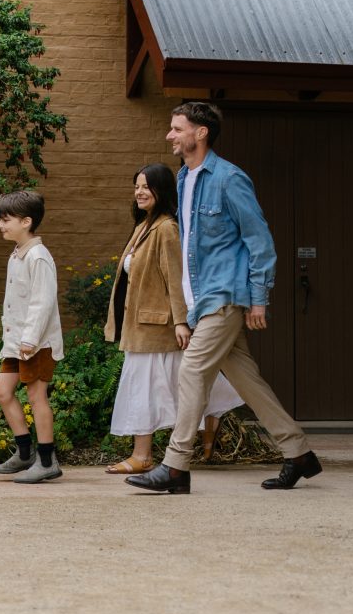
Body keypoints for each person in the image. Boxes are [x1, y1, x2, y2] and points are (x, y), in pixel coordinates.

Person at [127, 102, 322, 495]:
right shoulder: (184, 178)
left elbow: (260, 241)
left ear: (200, 133)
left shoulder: (230, 179)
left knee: (192, 370)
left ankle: (175, 466)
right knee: (248, 381)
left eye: (177, 128)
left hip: (226, 294)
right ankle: (298, 452)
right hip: (203, 299)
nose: (170, 135)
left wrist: (258, 298)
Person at [104, 163, 244, 475]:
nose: (139, 192)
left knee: (147, 388)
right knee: (175, 382)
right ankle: (213, 413)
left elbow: (177, 278)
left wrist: (182, 321)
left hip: (157, 327)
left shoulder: (166, 228)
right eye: (137, 185)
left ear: (162, 191)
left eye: (146, 186)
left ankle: (142, 455)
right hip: (142, 326)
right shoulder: (144, 225)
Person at [0, 190, 64, 484]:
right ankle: (25, 453)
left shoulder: (38, 257)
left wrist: (30, 340)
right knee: (2, 391)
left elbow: (43, 302)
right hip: (16, 343)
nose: (0, 225)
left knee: (36, 396)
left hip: (36, 343)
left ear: (26, 221)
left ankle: (47, 461)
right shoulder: (17, 254)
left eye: (6, 220)